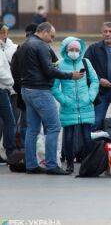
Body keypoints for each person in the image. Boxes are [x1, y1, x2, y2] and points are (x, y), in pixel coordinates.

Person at [20, 22, 84, 175]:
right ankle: (51, 165)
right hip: (40, 91)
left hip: (26, 90)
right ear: (44, 32)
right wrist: (70, 75)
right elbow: (49, 70)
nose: (52, 40)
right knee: (54, 127)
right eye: (52, 36)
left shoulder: (25, 44)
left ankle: (31, 165)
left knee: (32, 129)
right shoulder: (40, 46)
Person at [51, 37, 99, 174]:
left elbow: (95, 81)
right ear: (65, 50)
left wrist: (90, 97)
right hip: (68, 106)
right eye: (71, 49)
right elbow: (54, 88)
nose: (74, 52)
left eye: (77, 50)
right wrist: (64, 100)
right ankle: (70, 163)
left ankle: (89, 163)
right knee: (69, 136)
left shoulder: (86, 62)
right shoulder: (59, 64)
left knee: (86, 136)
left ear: (81, 50)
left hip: (86, 105)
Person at [84, 22, 111, 131]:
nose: (108, 34)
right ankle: (94, 147)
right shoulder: (93, 49)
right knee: (96, 121)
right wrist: (99, 80)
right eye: (105, 31)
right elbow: (85, 68)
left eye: (110, 31)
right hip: (101, 92)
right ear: (102, 33)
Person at [0, 28, 17, 160]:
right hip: (2, 89)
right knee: (10, 121)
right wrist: (11, 82)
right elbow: (1, 70)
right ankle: (10, 152)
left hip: (3, 88)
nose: (4, 35)